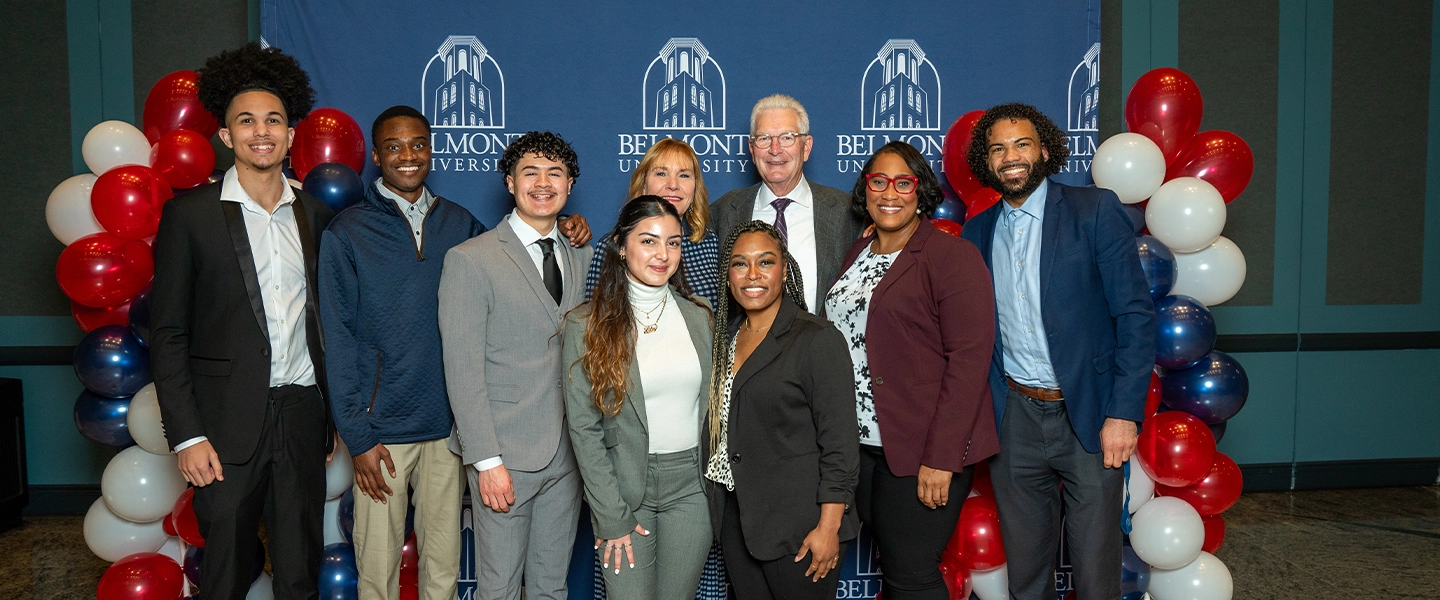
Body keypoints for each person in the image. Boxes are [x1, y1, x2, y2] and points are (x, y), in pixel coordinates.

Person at [316, 106, 589, 600]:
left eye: (418, 144)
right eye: (394, 147)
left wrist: (571, 226)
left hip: (446, 431)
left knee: (441, 573)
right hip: (382, 434)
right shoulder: (347, 232)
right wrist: (357, 436)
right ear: (375, 156)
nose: (407, 156)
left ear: (432, 150)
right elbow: (335, 337)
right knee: (378, 574)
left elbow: (523, 256)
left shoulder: (459, 224)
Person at [151, 42, 334, 599]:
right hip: (223, 425)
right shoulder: (191, 216)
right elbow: (168, 333)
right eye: (246, 121)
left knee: (300, 570)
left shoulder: (316, 215)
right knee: (225, 571)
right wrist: (187, 435)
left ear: (291, 134)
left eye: (274, 120)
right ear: (226, 136)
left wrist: (328, 415)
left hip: (301, 413)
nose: (262, 131)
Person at [959, 103, 1155, 600]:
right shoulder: (977, 232)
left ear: (1044, 150)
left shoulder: (1093, 210)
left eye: (1022, 144)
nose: (1011, 157)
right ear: (987, 162)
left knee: (1094, 574)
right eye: (998, 149)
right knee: (1026, 575)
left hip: (1089, 416)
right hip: (1015, 421)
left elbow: (1135, 314)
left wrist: (1124, 414)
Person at [825, 141, 998, 600]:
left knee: (911, 573)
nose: (890, 193)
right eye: (878, 181)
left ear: (921, 191)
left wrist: (942, 458)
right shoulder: (859, 252)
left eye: (904, 183)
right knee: (895, 563)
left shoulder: (950, 258)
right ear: (866, 188)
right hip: (862, 444)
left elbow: (969, 361)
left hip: (923, 445)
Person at [439, 131, 593, 600]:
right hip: (505, 455)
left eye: (555, 173)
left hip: (569, 454)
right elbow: (462, 369)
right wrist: (487, 461)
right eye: (530, 173)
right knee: (499, 588)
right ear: (510, 183)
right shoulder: (470, 260)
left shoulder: (584, 254)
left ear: (569, 185)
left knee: (551, 587)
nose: (543, 183)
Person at [563, 197, 714, 599]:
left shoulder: (699, 316)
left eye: (674, 243)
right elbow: (584, 429)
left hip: (691, 490)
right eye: (649, 241)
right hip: (625, 488)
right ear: (621, 246)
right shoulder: (586, 324)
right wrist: (611, 516)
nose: (663, 255)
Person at [704, 221, 858, 600]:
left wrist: (828, 527)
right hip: (738, 521)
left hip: (800, 526)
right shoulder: (724, 337)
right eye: (740, 264)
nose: (752, 275)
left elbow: (840, 444)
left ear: (784, 270)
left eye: (765, 262)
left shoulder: (817, 339)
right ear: (727, 275)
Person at [709, 95, 864, 312]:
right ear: (752, 150)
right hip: (747, 344)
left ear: (806, 146)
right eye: (764, 138)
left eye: (787, 137)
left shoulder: (847, 213)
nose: (775, 149)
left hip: (823, 344)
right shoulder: (723, 211)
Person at [586, 139, 720, 305]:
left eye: (684, 175)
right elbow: (594, 316)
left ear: (695, 189)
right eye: (661, 174)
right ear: (643, 185)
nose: (673, 185)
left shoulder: (710, 242)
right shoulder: (612, 244)